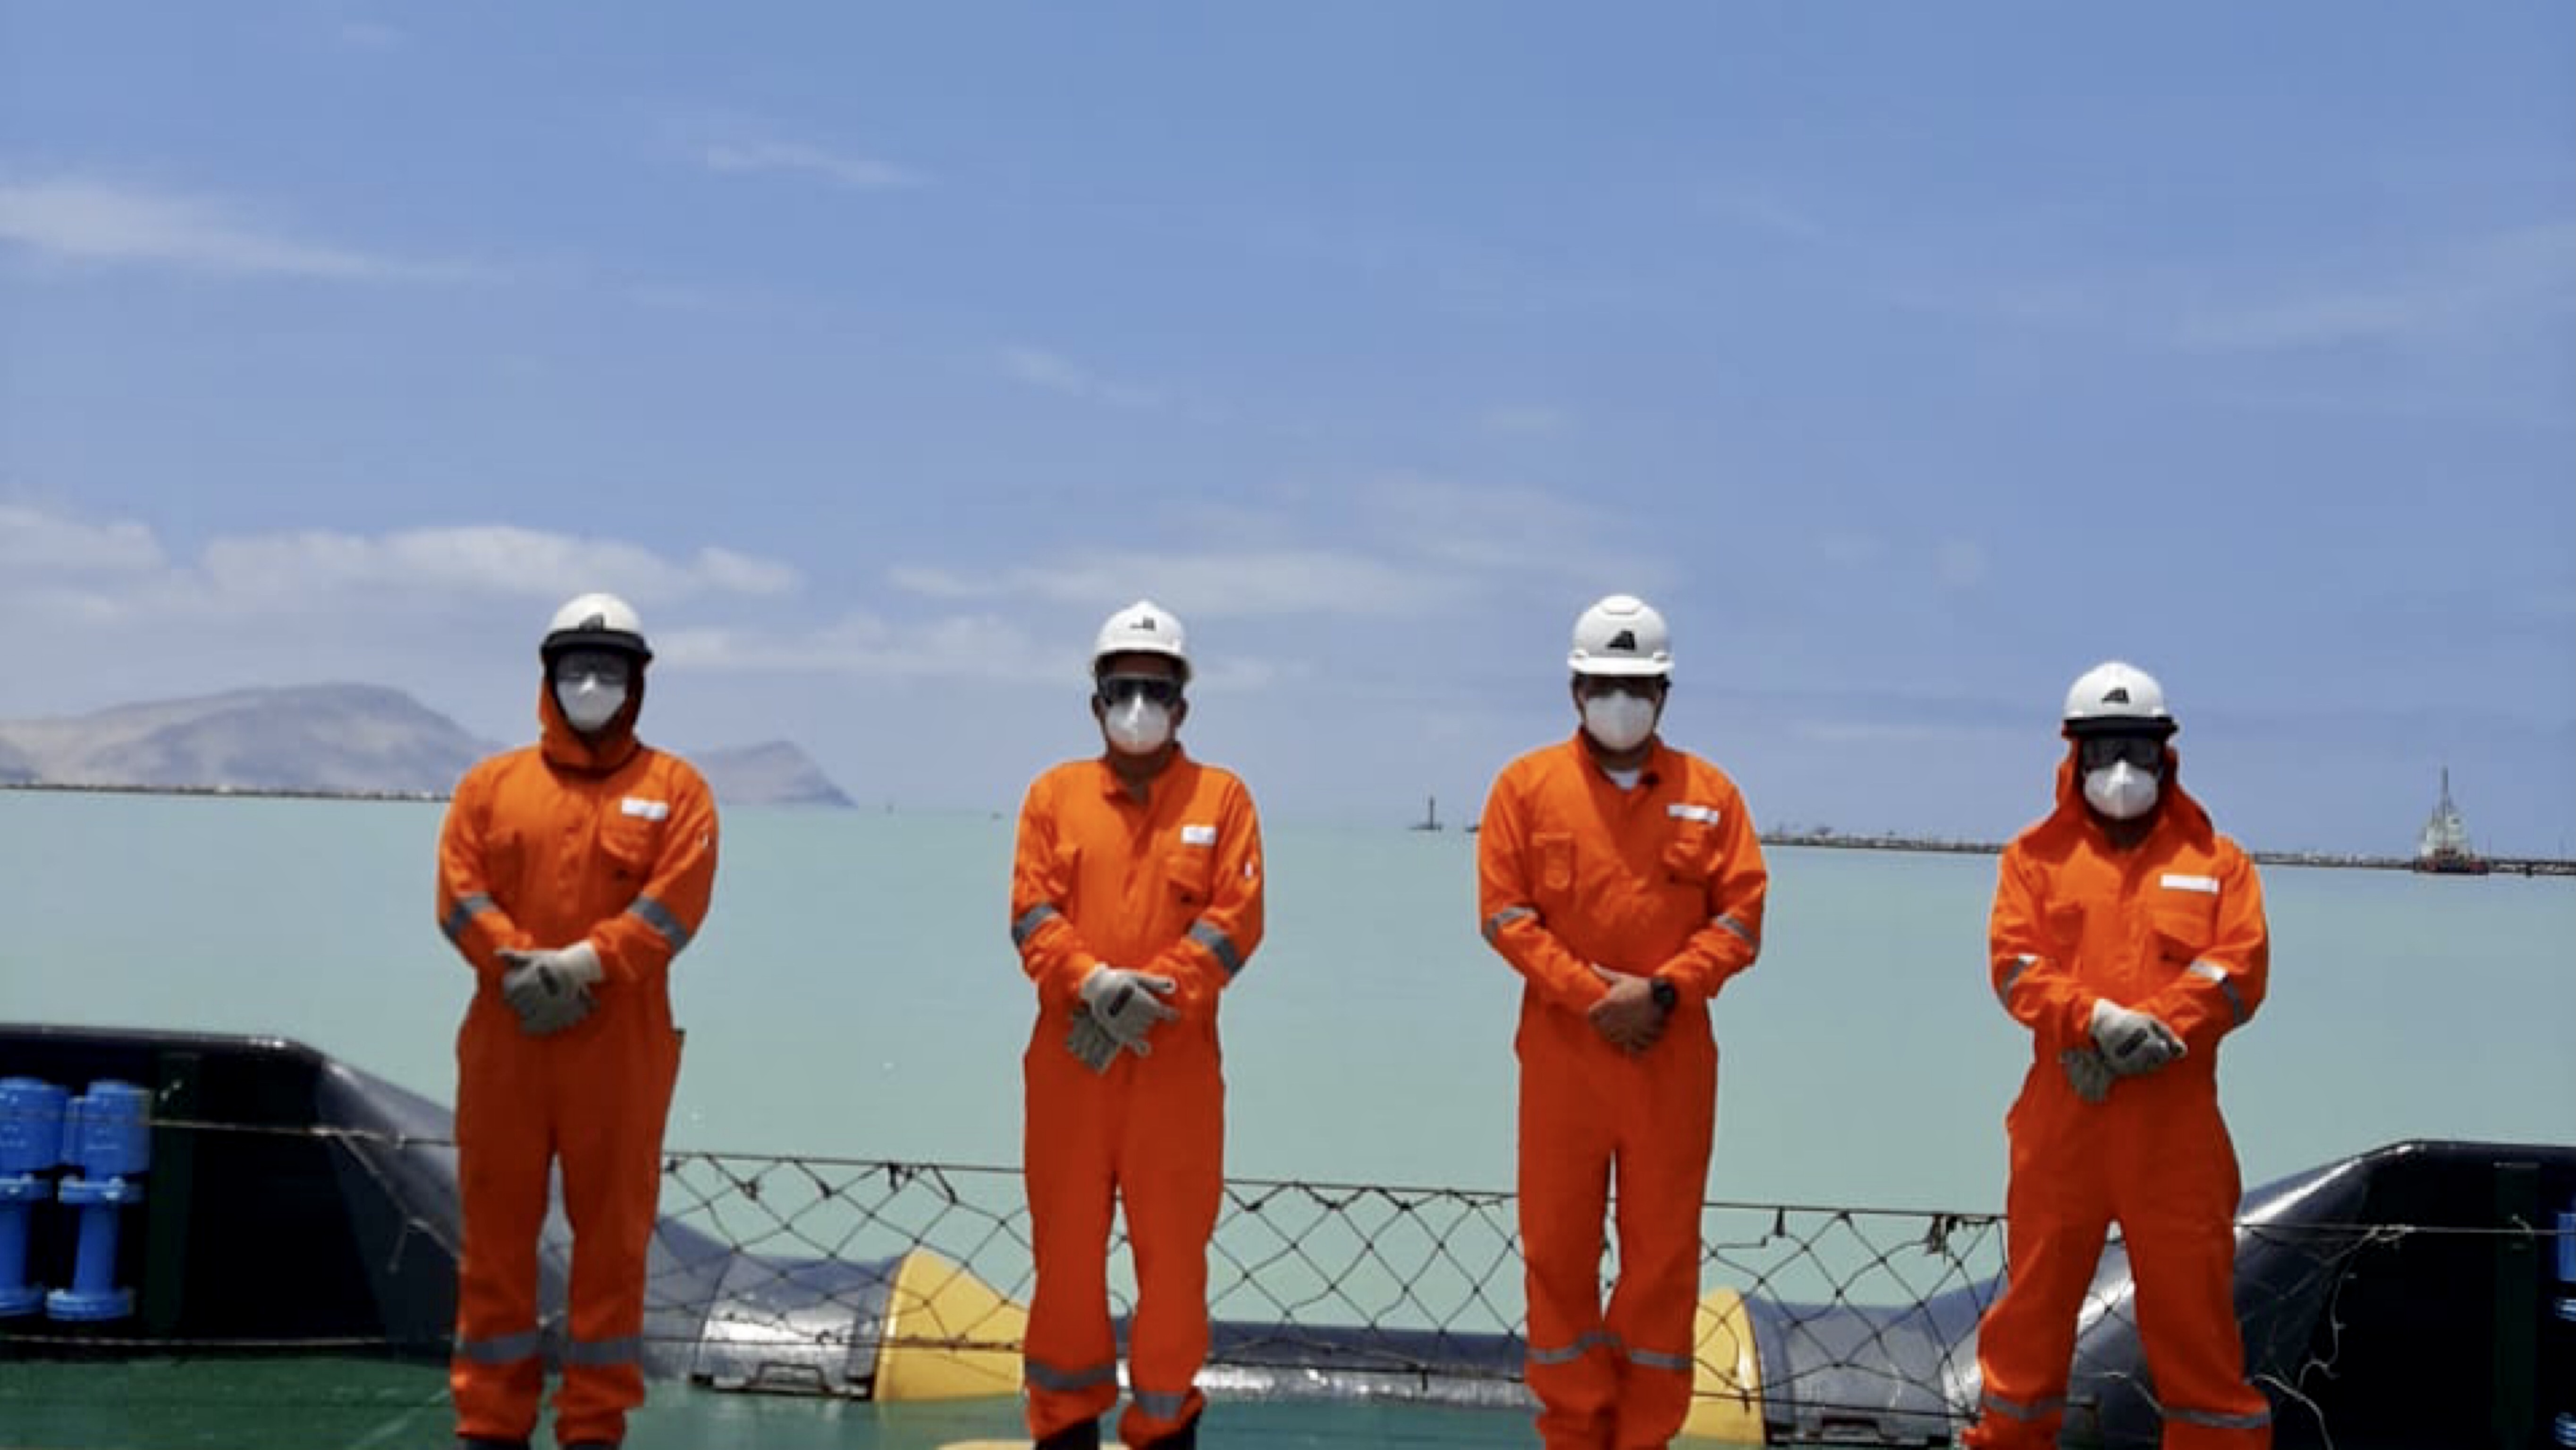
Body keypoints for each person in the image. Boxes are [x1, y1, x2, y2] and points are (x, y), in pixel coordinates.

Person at [1476, 594, 1768, 1450]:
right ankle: (1571, 1431)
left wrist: (1664, 992)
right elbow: (1503, 914)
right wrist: (1593, 998)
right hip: (1563, 1061)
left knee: (1663, 1258)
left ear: (1664, 695)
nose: (1620, 701)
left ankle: (1644, 1434)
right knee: (1556, 1252)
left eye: (1637, 687)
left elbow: (1741, 919)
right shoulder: (1525, 789)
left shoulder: (1711, 796)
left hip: (1670, 1062)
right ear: (1575, 690)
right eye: (1604, 684)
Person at [434, 592, 720, 1450]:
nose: (590, 685)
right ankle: (490, 1425)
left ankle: (593, 1428)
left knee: (613, 1248)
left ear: (637, 683)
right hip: (507, 1039)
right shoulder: (490, 788)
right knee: (493, 1241)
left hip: (619, 1044)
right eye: (575, 668)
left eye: (608, 670)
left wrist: (583, 966)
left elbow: (675, 906)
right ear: (547, 676)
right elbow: (458, 895)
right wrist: (522, 965)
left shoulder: (677, 792)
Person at [1963, 661, 2272, 1450]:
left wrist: (2148, 1032)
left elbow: (2239, 971)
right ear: (2075, 757)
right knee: (2028, 1324)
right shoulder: (2031, 860)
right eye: (2103, 750)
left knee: (2197, 1331)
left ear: (2165, 754)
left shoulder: (2218, 863)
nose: (2121, 769)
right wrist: (2092, 1022)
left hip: (2175, 1133)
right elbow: (2014, 966)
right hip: (2062, 1121)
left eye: (2135, 748)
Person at [1007, 599, 1266, 1450]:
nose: (1139, 706)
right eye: (1123, 689)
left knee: (1175, 1266)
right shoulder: (1052, 797)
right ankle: (1063, 1425)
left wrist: (1150, 995)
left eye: (1156, 690)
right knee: (1065, 1262)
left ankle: (1163, 1426)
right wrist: (1091, 984)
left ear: (1183, 705)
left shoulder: (1223, 799)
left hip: (1174, 1074)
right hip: (1071, 1066)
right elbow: (1031, 913)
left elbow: (1237, 920)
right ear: (1096, 703)